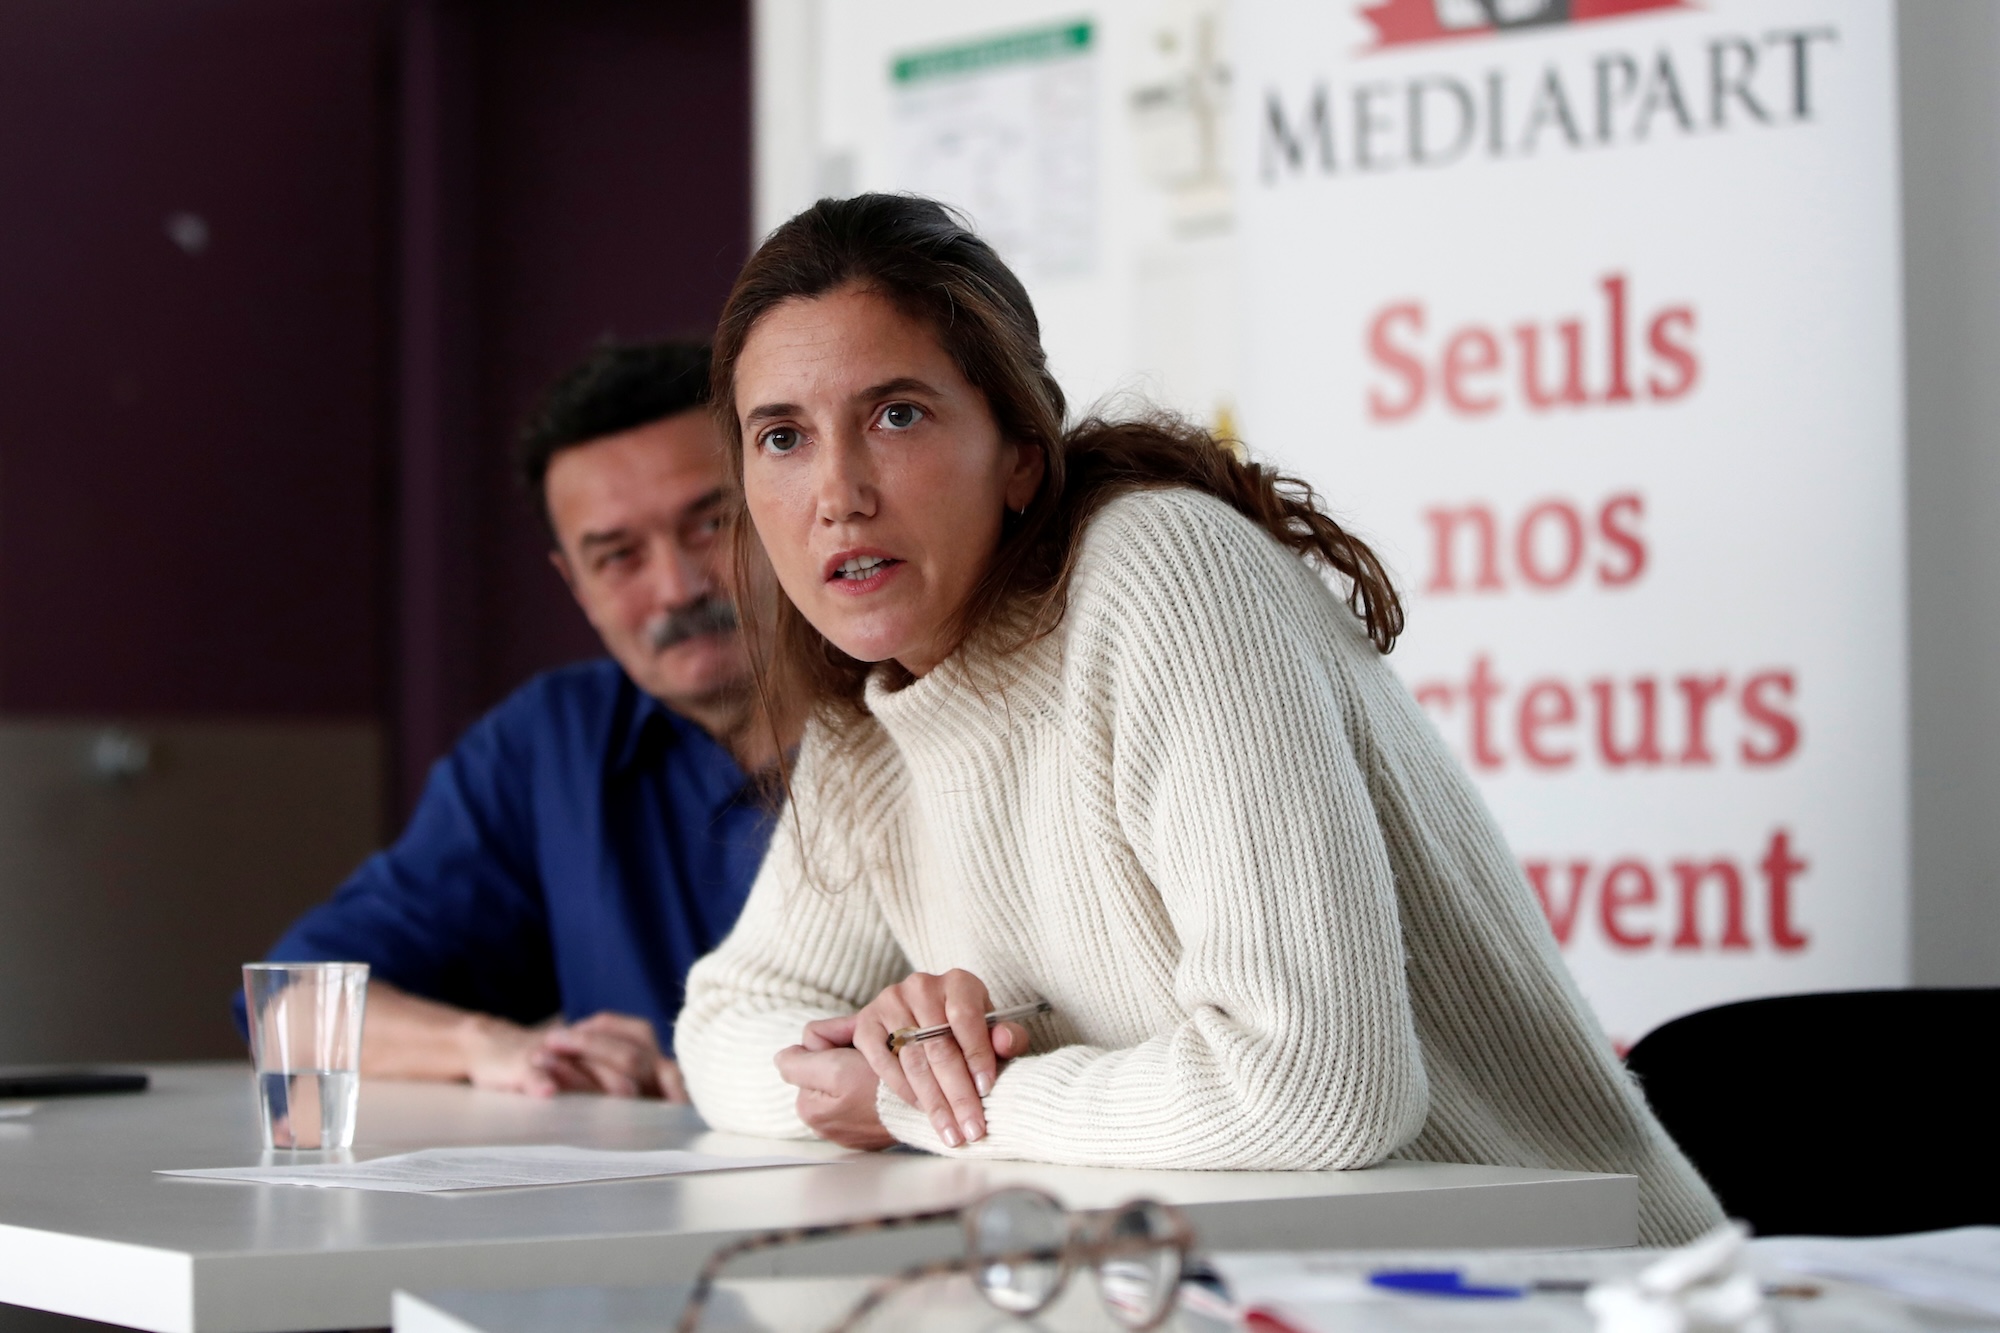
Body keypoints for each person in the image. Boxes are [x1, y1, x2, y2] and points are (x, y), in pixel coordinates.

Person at [673, 195, 1725, 1244]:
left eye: (895, 415)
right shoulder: (875, 712)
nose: (837, 493)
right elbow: (724, 1027)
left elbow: (1319, 1088)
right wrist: (892, 1055)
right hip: (1258, 1283)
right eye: (782, 438)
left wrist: (928, 1099)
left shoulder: (1163, 574)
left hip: (1566, 1284)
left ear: (1019, 454)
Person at [250, 341, 784, 1099]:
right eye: (619, 556)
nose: (677, 587)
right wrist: (491, 1045)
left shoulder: (926, 709)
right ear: (574, 583)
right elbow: (292, 1007)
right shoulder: (549, 744)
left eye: (710, 523)